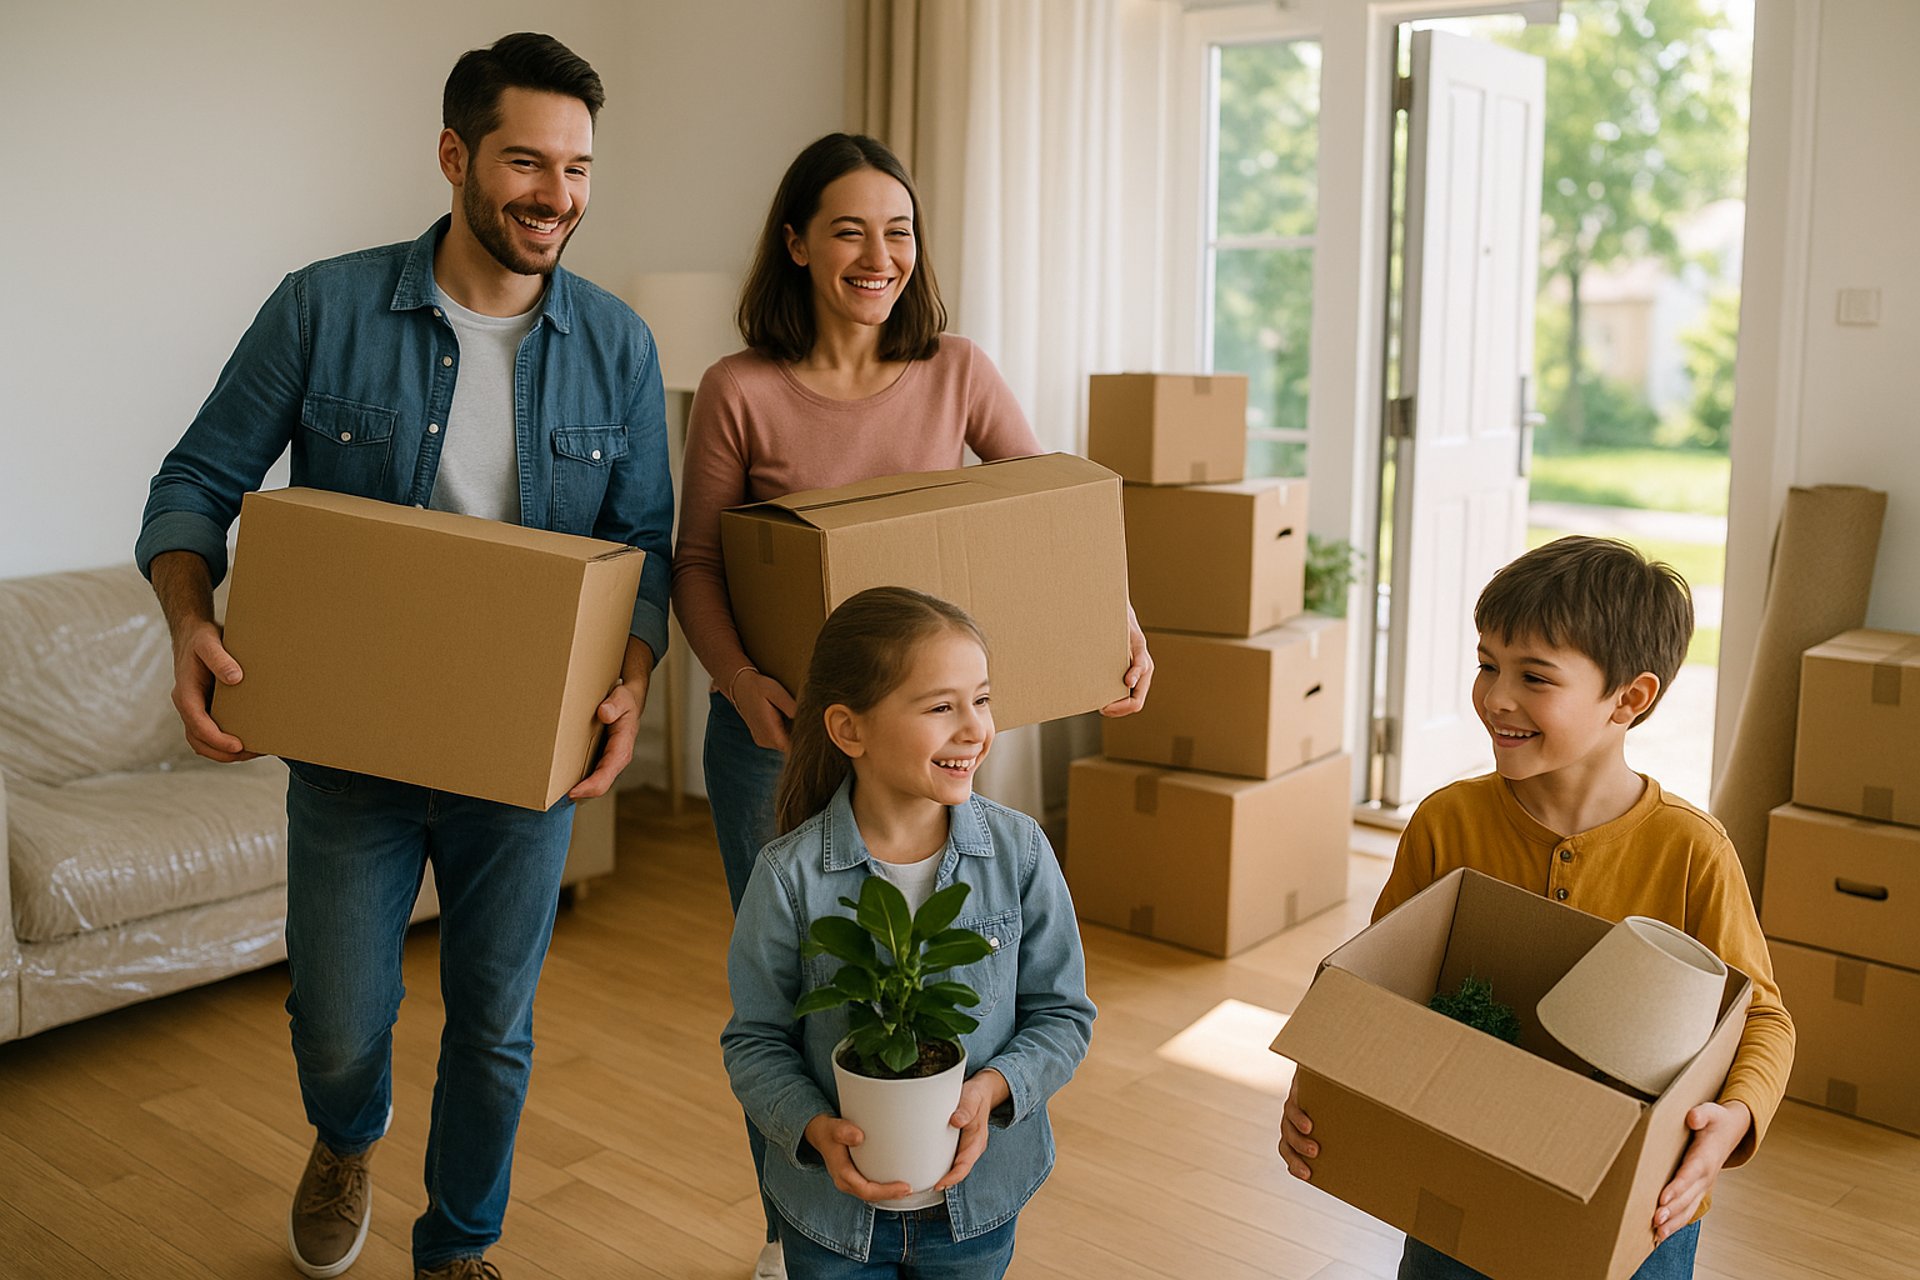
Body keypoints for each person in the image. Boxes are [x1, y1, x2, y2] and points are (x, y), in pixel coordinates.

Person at [134, 33, 671, 1280]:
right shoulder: (322, 308)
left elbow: (642, 544)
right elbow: (194, 482)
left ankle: (458, 1244)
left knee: (493, 1023)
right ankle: (346, 1133)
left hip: (522, 755)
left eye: (579, 167)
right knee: (337, 1019)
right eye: (526, 161)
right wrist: (190, 620)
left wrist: (634, 677)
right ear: (453, 155)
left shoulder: (620, 345)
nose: (557, 194)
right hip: (351, 747)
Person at [670, 131, 1149, 1278]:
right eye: (849, 230)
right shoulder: (741, 389)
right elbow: (695, 562)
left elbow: (1051, 515)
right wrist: (740, 681)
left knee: (944, 972)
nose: (879, 256)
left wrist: (1116, 622)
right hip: (777, 736)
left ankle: (948, 1184)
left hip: (920, 733)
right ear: (797, 244)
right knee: (798, 994)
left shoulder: (957, 370)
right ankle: (800, 1218)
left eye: (899, 231)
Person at [1276, 536, 1795, 1280]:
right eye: (1487, 664)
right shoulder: (1447, 822)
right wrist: (1322, 1075)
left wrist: (1733, 1119)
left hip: (1638, 1203)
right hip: (1464, 1170)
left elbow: (1763, 1017)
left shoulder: (1691, 851)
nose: (1496, 697)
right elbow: (1372, 983)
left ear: (1629, 699)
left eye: (1535, 677)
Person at [721, 587, 1094, 1279]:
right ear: (849, 729)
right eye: (941, 707)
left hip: (979, 1207)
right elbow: (755, 1040)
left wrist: (992, 1089)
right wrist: (813, 1126)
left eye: (981, 699)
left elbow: (1064, 1015)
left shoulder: (1020, 854)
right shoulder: (787, 876)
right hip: (830, 1218)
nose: (974, 728)